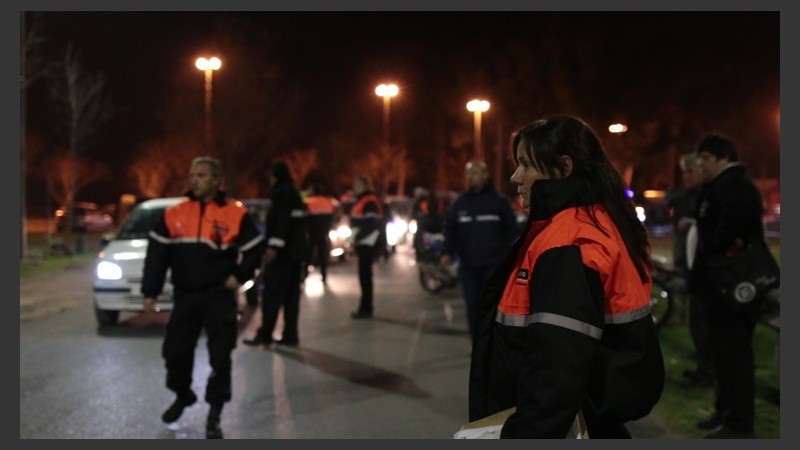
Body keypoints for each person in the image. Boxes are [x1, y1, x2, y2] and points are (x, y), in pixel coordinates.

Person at [468, 115, 664, 438]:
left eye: (526, 165)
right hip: (585, 420)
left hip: (561, 426)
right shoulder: (594, 221)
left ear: (564, 168)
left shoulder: (568, 241)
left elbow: (556, 369)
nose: (516, 177)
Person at [141, 156, 265, 439]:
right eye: (192, 175)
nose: (194, 180)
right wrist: (150, 291)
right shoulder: (175, 213)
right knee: (174, 353)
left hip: (218, 297)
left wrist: (239, 275)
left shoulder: (235, 213)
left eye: (200, 175)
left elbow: (256, 249)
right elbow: (157, 256)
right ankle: (183, 394)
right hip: (185, 297)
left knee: (220, 358)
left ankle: (215, 414)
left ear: (216, 181)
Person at [688, 133, 765, 439]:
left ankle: (740, 424)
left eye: (704, 159)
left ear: (721, 157)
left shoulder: (735, 186)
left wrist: (716, 246)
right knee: (723, 354)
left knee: (736, 356)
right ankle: (725, 413)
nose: (700, 165)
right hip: (719, 287)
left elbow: (724, 234)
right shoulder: (720, 186)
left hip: (732, 287)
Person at [440, 160, 518, 341]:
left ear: (485, 175)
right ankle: (477, 343)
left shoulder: (499, 203)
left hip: (493, 266)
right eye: (468, 173)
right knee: (472, 306)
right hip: (468, 267)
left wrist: (509, 257)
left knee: (492, 307)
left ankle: (492, 343)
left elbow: (511, 231)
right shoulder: (460, 203)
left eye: (474, 173)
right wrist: (446, 252)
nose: (470, 177)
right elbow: (450, 228)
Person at [243, 160, 310, 348]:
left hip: (283, 256)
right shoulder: (295, 194)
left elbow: (281, 223)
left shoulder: (281, 193)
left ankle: (265, 334)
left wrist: (273, 247)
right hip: (295, 255)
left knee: (272, 295)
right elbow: (298, 225)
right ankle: (290, 335)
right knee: (291, 297)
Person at [668, 153, 715, 389]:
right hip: (689, 267)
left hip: (704, 271)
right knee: (697, 322)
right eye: (684, 172)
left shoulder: (708, 195)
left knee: (704, 322)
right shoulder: (688, 195)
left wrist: (694, 223)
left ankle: (708, 371)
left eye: (691, 171)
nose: (687, 177)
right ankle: (703, 366)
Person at [349, 174, 384, 319]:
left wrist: (358, 237)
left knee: (365, 276)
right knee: (364, 275)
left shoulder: (369, 201)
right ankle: (365, 306)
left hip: (367, 243)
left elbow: (371, 224)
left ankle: (366, 308)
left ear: (363, 186)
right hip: (363, 242)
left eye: (357, 185)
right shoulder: (363, 200)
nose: (354, 188)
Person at [305, 183, 339, 282]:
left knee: (309, 254)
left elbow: (305, 216)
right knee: (323, 254)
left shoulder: (310, 201)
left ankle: (305, 274)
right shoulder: (328, 201)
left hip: (312, 232)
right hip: (324, 232)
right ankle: (324, 275)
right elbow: (334, 216)